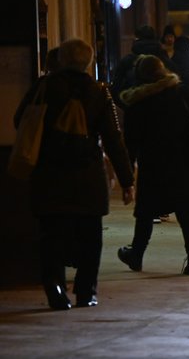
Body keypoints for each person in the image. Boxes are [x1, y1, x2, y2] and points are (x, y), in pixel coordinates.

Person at [13, 39, 135, 310]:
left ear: (61, 60)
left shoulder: (44, 87)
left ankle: (55, 287)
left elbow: (19, 119)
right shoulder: (99, 92)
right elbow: (114, 139)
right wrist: (127, 180)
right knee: (91, 235)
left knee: (51, 234)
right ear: (88, 63)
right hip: (87, 174)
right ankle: (86, 290)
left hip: (50, 173)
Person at [116, 55, 189, 276]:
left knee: (146, 213)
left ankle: (136, 255)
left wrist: (126, 177)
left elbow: (130, 143)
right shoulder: (180, 92)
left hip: (153, 164)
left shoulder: (137, 102)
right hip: (182, 161)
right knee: (186, 212)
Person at [110, 24, 176, 104]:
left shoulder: (127, 61)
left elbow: (116, 88)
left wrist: (127, 107)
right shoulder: (164, 60)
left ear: (137, 39)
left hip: (135, 109)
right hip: (164, 109)